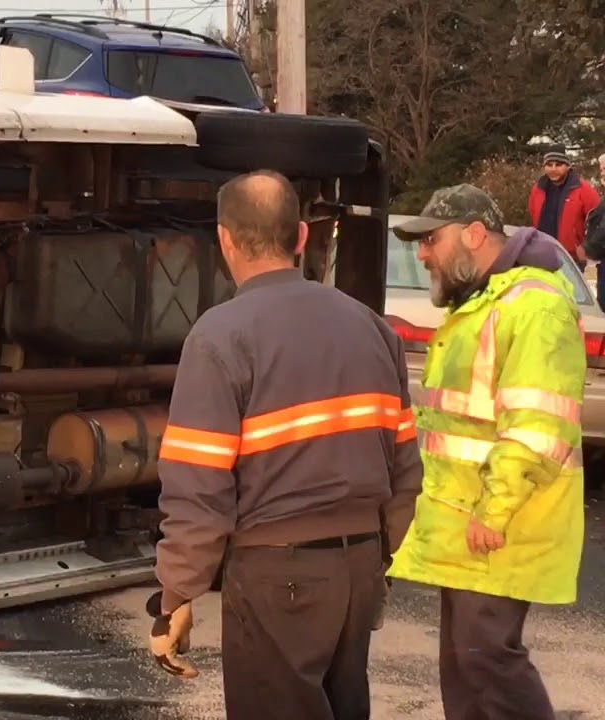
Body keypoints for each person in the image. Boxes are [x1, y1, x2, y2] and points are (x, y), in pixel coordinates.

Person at [147, 170, 423, 720]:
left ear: (225, 240)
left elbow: (198, 486)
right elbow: (405, 465)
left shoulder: (220, 335)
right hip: (360, 566)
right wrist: (377, 555)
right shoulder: (371, 326)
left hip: (279, 577)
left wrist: (176, 595)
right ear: (300, 236)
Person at [388, 184, 584, 720]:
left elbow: (537, 426)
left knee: (487, 661)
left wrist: (493, 512)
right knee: (466, 664)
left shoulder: (534, 307)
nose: (422, 253)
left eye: (431, 241)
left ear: (474, 234)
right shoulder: (485, 302)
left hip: (502, 524)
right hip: (468, 523)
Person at [528, 146, 599, 270]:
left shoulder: (583, 189)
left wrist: (586, 247)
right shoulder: (538, 189)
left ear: (567, 166)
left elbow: (597, 222)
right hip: (542, 253)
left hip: (570, 257)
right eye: (549, 165)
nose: (553, 169)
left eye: (559, 164)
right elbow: (533, 215)